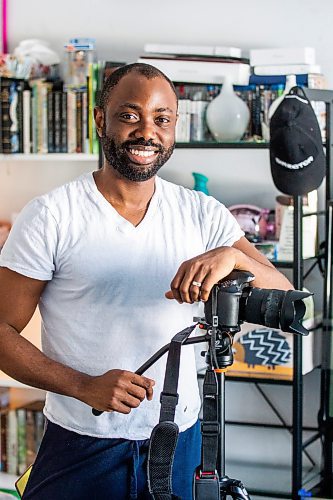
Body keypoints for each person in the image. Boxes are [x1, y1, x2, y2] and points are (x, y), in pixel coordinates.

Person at [0, 63, 292, 499]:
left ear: (174, 127)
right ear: (101, 120)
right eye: (130, 115)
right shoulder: (51, 215)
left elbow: (284, 294)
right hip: (84, 442)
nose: (147, 132)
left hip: (181, 439)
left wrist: (232, 255)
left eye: (162, 119)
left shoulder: (201, 212)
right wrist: (83, 386)